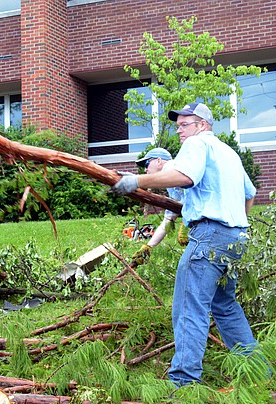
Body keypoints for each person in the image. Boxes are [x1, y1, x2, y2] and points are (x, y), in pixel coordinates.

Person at [111, 102, 258, 387]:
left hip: (209, 237)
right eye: (178, 125)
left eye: (184, 124)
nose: (179, 130)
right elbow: (250, 193)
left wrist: (137, 181)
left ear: (202, 124)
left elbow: (185, 176)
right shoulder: (230, 153)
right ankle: (256, 373)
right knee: (225, 307)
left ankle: (184, 385)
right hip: (236, 239)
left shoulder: (197, 144)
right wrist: (235, 223)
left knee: (190, 308)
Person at [129, 147, 187, 266]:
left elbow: (194, 194)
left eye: (146, 164)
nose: (145, 169)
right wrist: (148, 247)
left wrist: (187, 223)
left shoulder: (172, 167)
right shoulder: (170, 181)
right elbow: (168, 219)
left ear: (159, 161)